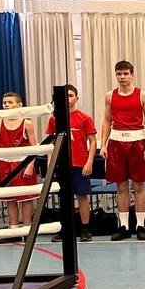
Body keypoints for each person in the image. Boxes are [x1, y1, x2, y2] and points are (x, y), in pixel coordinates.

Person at [100, 60, 145, 241]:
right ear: (116, 75)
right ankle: (123, 226)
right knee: (121, 186)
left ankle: (141, 225)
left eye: (125, 74)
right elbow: (106, 121)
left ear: (132, 75)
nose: (122, 77)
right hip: (116, 143)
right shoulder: (110, 96)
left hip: (137, 142)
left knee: (139, 186)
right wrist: (103, 144)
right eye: (119, 74)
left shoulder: (143, 96)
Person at [46, 84, 98, 242]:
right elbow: (51, 143)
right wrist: (50, 164)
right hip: (62, 165)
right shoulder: (54, 119)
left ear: (76, 98)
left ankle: (85, 229)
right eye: (65, 96)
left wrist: (89, 162)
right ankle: (66, 230)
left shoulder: (85, 118)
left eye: (70, 95)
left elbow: (93, 141)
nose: (67, 99)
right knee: (64, 198)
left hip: (80, 164)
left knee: (82, 197)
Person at [0, 91, 39, 237]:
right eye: (4, 102)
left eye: (10, 102)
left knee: (26, 199)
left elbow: (34, 147)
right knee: (10, 199)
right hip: (3, 164)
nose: (6, 105)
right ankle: (14, 231)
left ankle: (27, 230)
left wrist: (30, 166)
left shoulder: (27, 123)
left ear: (19, 105)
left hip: (23, 164)